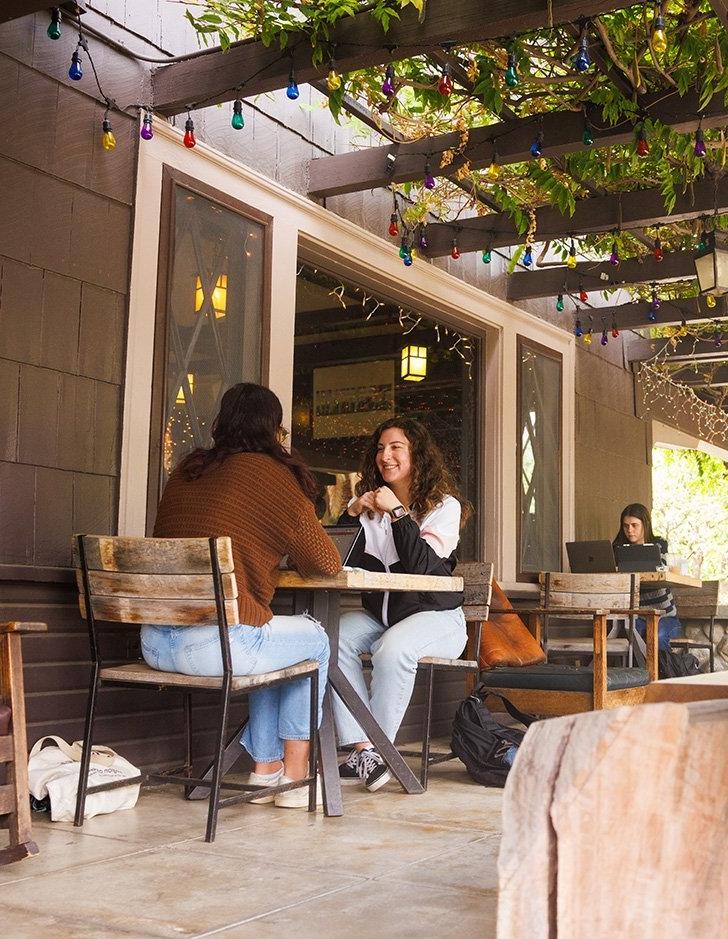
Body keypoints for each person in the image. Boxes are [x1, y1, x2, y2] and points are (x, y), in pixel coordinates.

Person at [143, 383, 341, 808]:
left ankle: (264, 771)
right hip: (215, 649)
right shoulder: (276, 478)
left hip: (153, 644)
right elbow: (326, 564)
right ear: (275, 430)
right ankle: (295, 776)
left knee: (274, 645)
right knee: (315, 640)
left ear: (222, 423)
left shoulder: (187, 471)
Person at [333, 417, 470, 792]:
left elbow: (423, 568)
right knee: (329, 638)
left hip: (438, 619)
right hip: (384, 615)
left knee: (392, 650)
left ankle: (377, 750)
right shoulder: (370, 510)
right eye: (380, 448)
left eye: (396, 447)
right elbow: (335, 560)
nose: (385, 455)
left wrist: (397, 512)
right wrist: (350, 516)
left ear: (417, 455)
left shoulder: (445, 507)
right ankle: (365, 750)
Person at [612, 502, 682, 651]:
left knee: (658, 637)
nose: (629, 530)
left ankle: (661, 674)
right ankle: (638, 674)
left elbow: (661, 570)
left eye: (634, 525)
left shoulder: (659, 545)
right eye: (625, 526)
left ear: (645, 525)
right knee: (624, 635)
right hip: (635, 616)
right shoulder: (617, 549)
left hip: (665, 617)